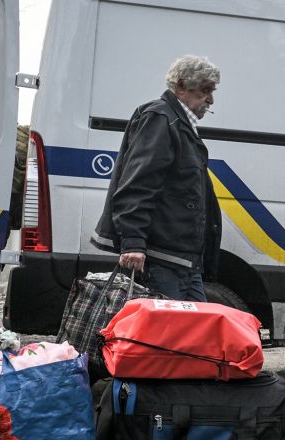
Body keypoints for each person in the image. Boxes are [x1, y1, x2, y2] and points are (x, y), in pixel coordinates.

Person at [91, 55, 222, 301]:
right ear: (182, 86)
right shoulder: (161, 118)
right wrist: (132, 242)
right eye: (205, 90)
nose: (211, 99)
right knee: (168, 336)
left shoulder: (176, 121)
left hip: (181, 260)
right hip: (162, 259)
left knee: (191, 335)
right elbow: (138, 183)